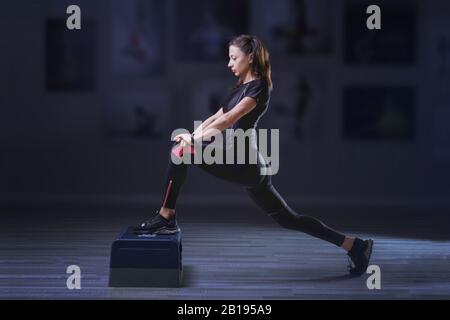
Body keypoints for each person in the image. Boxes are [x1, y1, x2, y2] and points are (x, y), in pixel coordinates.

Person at [133, 34, 373, 276]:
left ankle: (166, 217)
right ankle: (354, 245)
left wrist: (192, 141)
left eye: (233, 58)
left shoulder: (259, 88)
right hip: (250, 167)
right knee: (290, 219)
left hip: (244, 165)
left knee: (180, 153)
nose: (229, 63)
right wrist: (193, 134)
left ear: (250, 57)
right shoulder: (240, 88)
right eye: (229, 58)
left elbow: (229, 119)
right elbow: (216, 117)